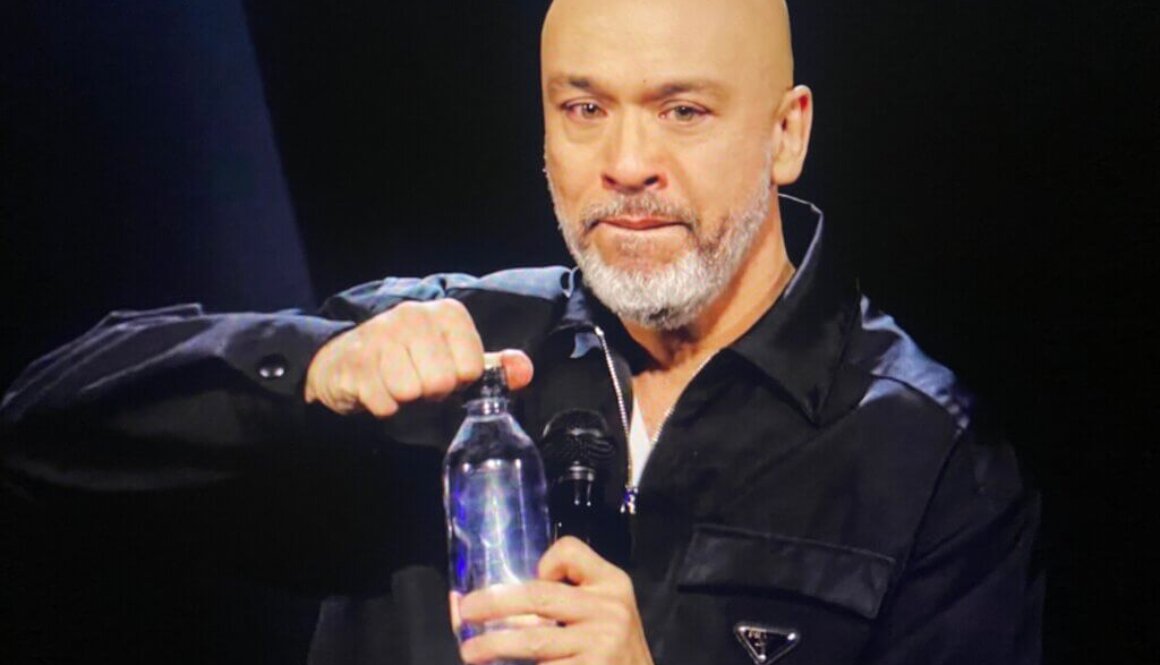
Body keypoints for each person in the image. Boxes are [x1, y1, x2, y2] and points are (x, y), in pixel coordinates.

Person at [1, 0, 1042, 663]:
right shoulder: (441, 334)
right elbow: (41, 433)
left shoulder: (928, 458)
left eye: (681, 111)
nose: (624, 163)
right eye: (583, 109)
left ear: (785, 132)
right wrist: (309, 366)